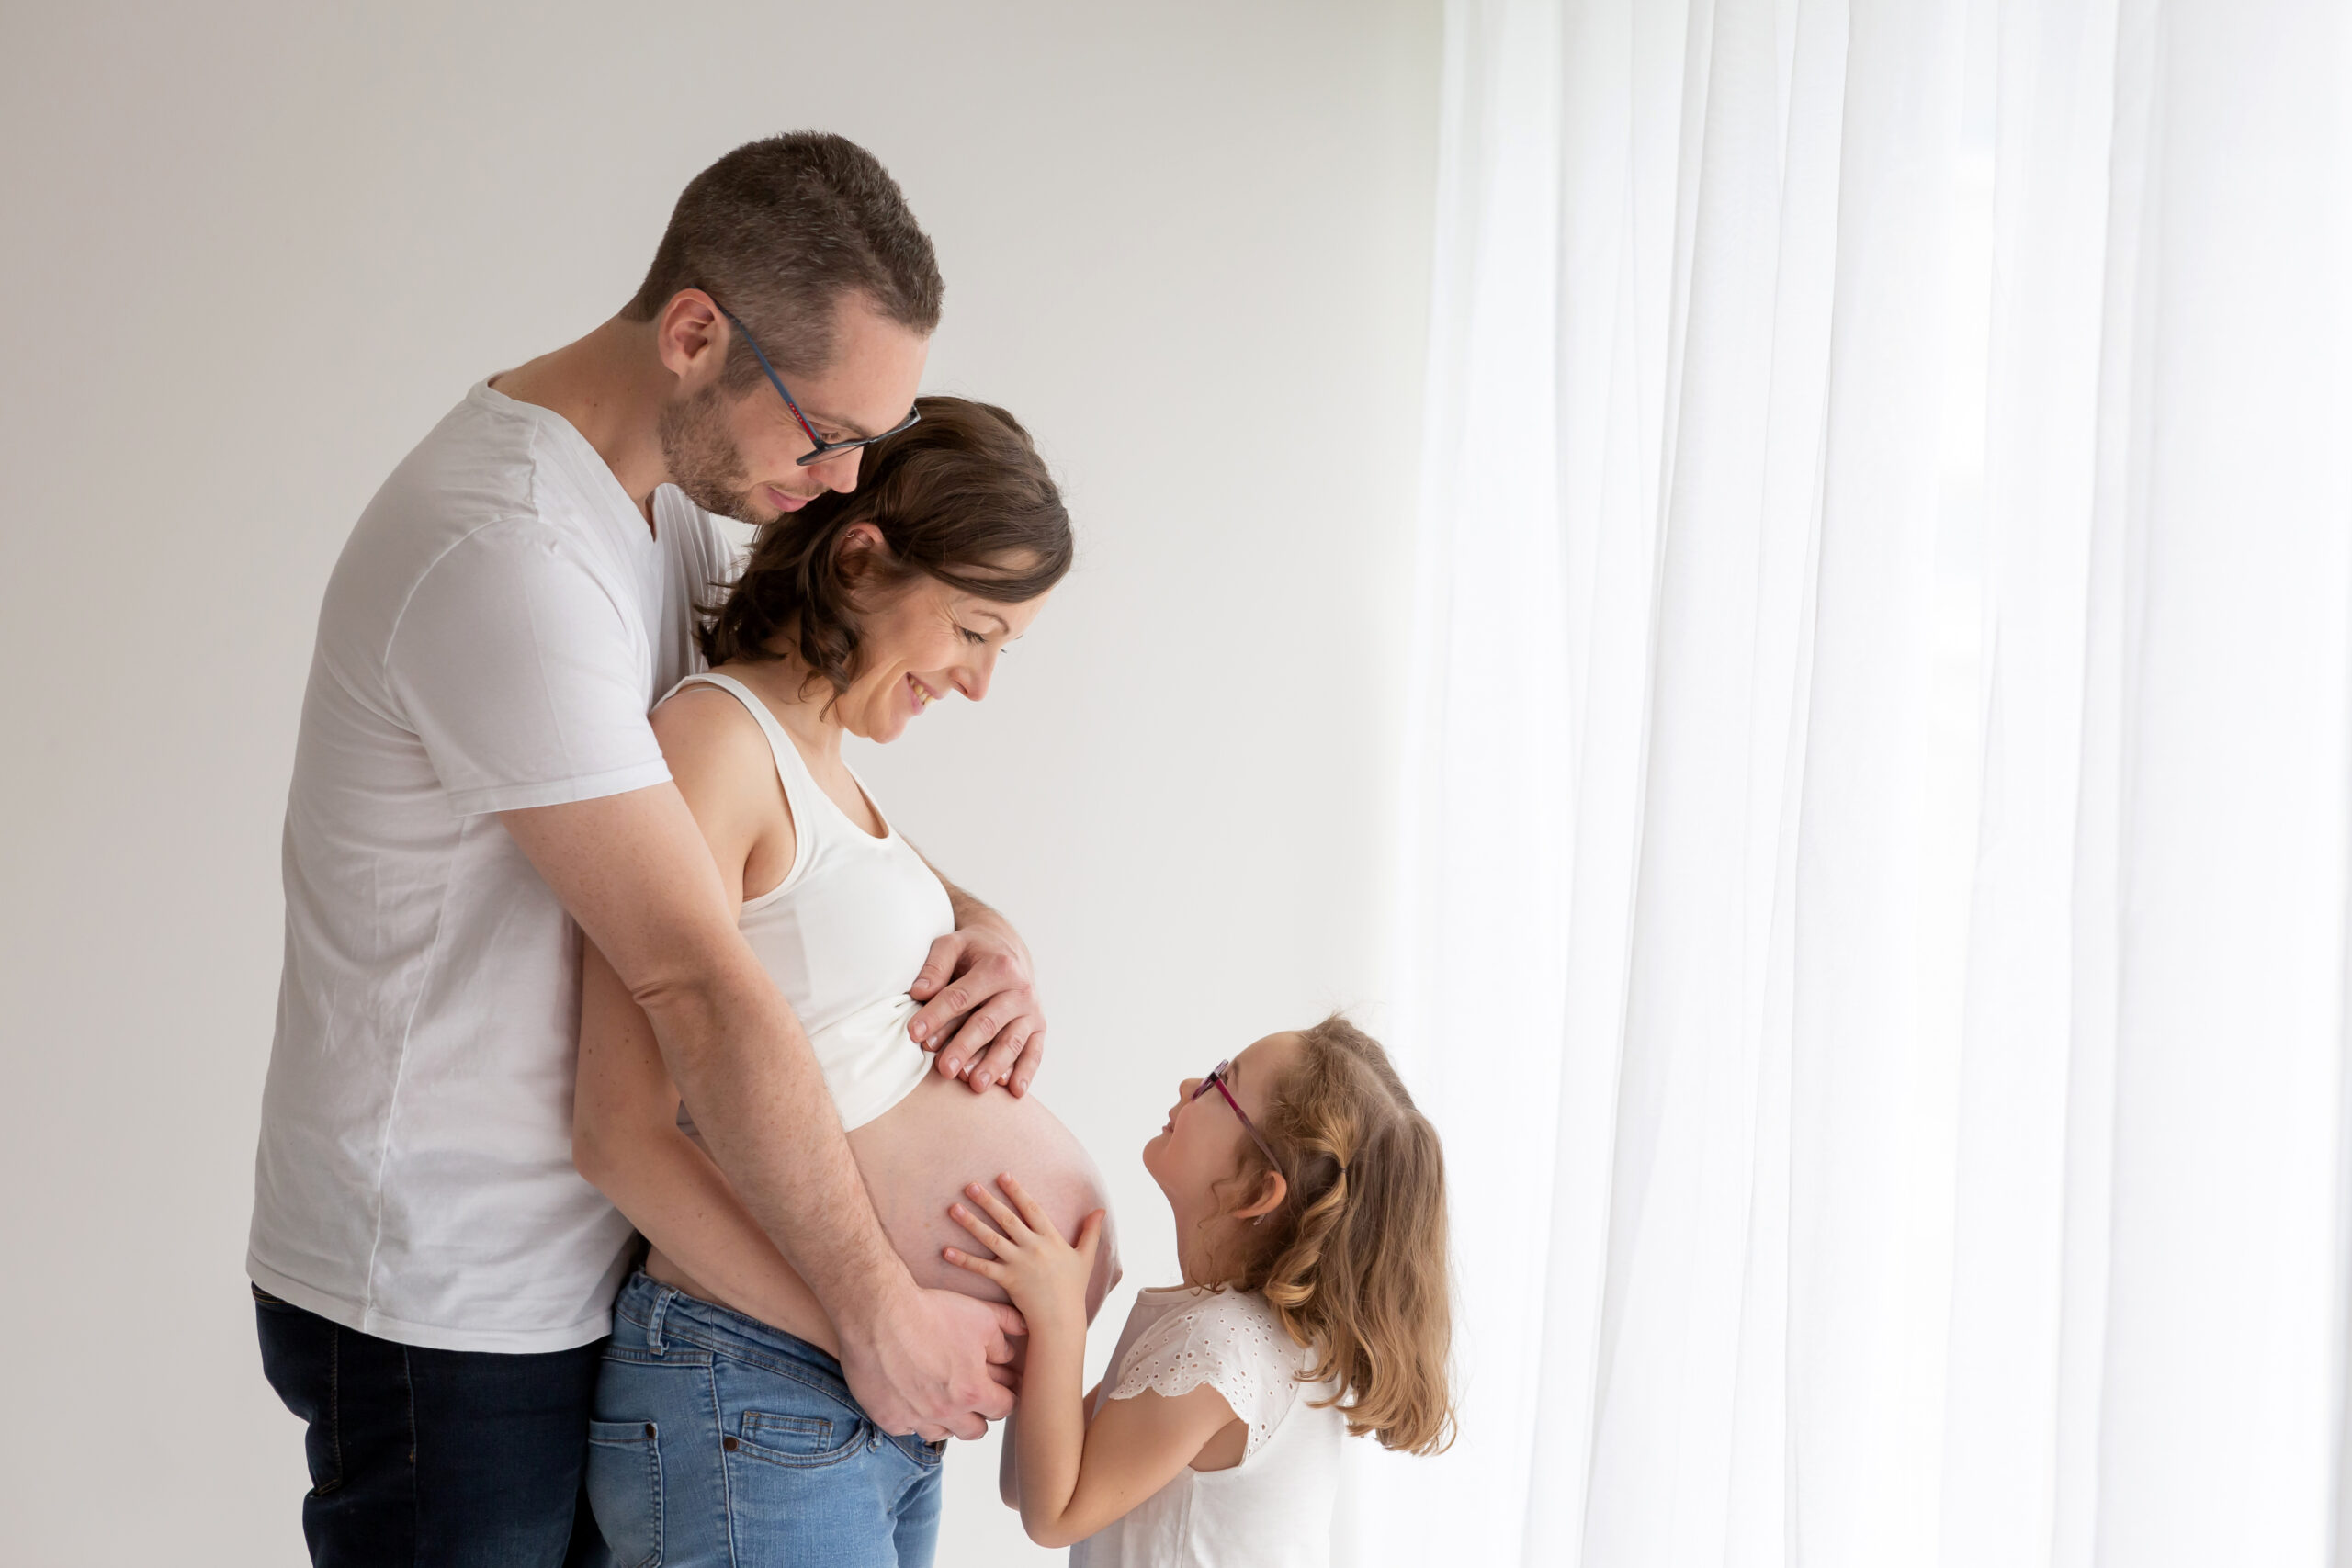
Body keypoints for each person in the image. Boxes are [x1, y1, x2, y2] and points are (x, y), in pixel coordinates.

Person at [248, 133, 1043, 1566]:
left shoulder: (675, 508)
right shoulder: (505, 548)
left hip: (607, 1268)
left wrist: (985, 921)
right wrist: (869, 1314)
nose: (848, 476)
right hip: (449, 1289)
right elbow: (690, 971)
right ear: (694, 333)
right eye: (826, 433)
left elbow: (766, 790)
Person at [571, 396, 1121, 1567]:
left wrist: (999, 937)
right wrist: (878, 1327)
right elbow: (620, 1135)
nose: (975, 684)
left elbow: (854, 916)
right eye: (973, 631)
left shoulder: (820, 762)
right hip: (759, 1375)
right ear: (863, 558)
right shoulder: (718, 742)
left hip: (851, 1398)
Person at [950, 1017, 1456, 1568]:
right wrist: (1039, 1312)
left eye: (1222, 1082)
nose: (1190, 1086)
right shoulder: (1244, 1336)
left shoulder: (1219, 1351)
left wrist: (1060, 1318)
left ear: (1259, 1190)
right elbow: (1025, 1486)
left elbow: (1053, 1515)